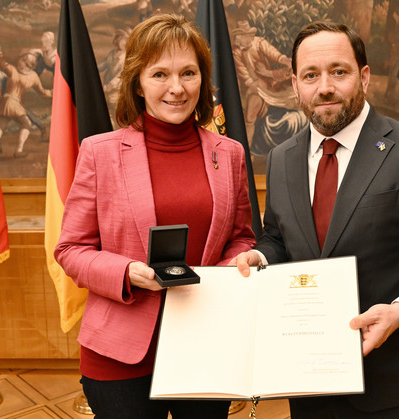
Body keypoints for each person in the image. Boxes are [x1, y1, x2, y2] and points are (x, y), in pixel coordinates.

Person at [231, 21, 399, 418]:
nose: (324, 86)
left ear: (364, 77)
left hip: (393, 382)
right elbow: (278, 238)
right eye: (311, 75)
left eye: (339, 71)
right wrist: (260, 258)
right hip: (309, 378)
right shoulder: (282, 158)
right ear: (295, 85)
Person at [54, 14, 256, 419]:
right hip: (119, 352)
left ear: (203, 80)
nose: (177, 88)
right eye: (160, 74)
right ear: (138, 82)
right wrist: (127, 270)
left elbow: (241, 236)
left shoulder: (229, 153)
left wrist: (241, 258)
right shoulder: (100, 152)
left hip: (203, 342)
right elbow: (70, 250)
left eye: (188, 73)